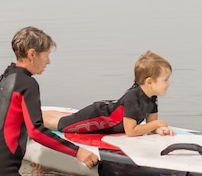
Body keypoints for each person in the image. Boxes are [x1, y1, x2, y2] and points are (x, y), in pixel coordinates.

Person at [0, 26, 99, 176]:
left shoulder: (6, 76)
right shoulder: (28, 84)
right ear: (32, 54)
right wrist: (78, 152)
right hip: (3, 169)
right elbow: (37, 131)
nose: (48, 61)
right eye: (46, 55)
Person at [42, 50, 175, 136]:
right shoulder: (133, 97)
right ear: (150, 82)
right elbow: (131, 131)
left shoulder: (152, 98)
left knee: (67, 117)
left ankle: (39, 111)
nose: (168, 84)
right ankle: (30, 117)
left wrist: (159, 129)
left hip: (104, 111)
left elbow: (150, 124)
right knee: (60, 124)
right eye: (165, 80)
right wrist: (157, 124)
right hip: (95, 118)